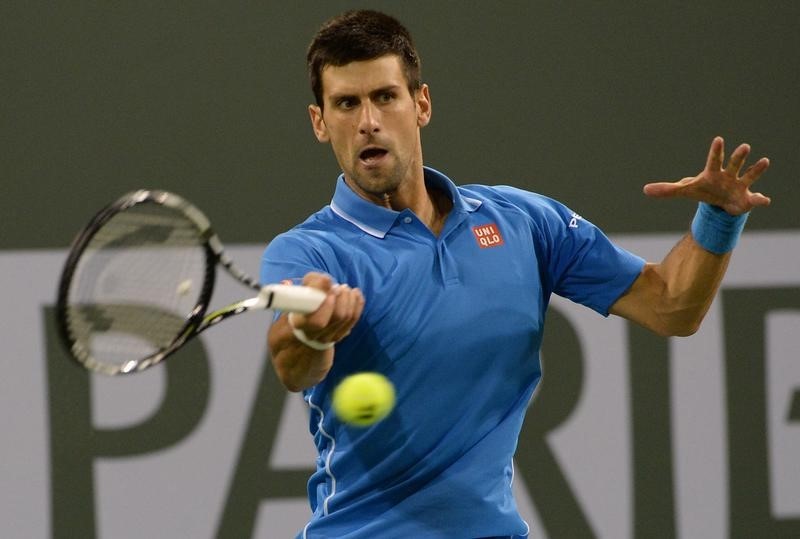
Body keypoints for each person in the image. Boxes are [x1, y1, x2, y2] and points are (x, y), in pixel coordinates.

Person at [260, 9, 771, 539]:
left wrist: (718, 219)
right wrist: (310, 330)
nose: (368, 120)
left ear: (421, 104)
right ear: (320, 122)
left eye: (385, 97)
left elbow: (671, 306)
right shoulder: (309, 251)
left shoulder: (522, 222)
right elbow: (293, 365)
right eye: (346, 103)